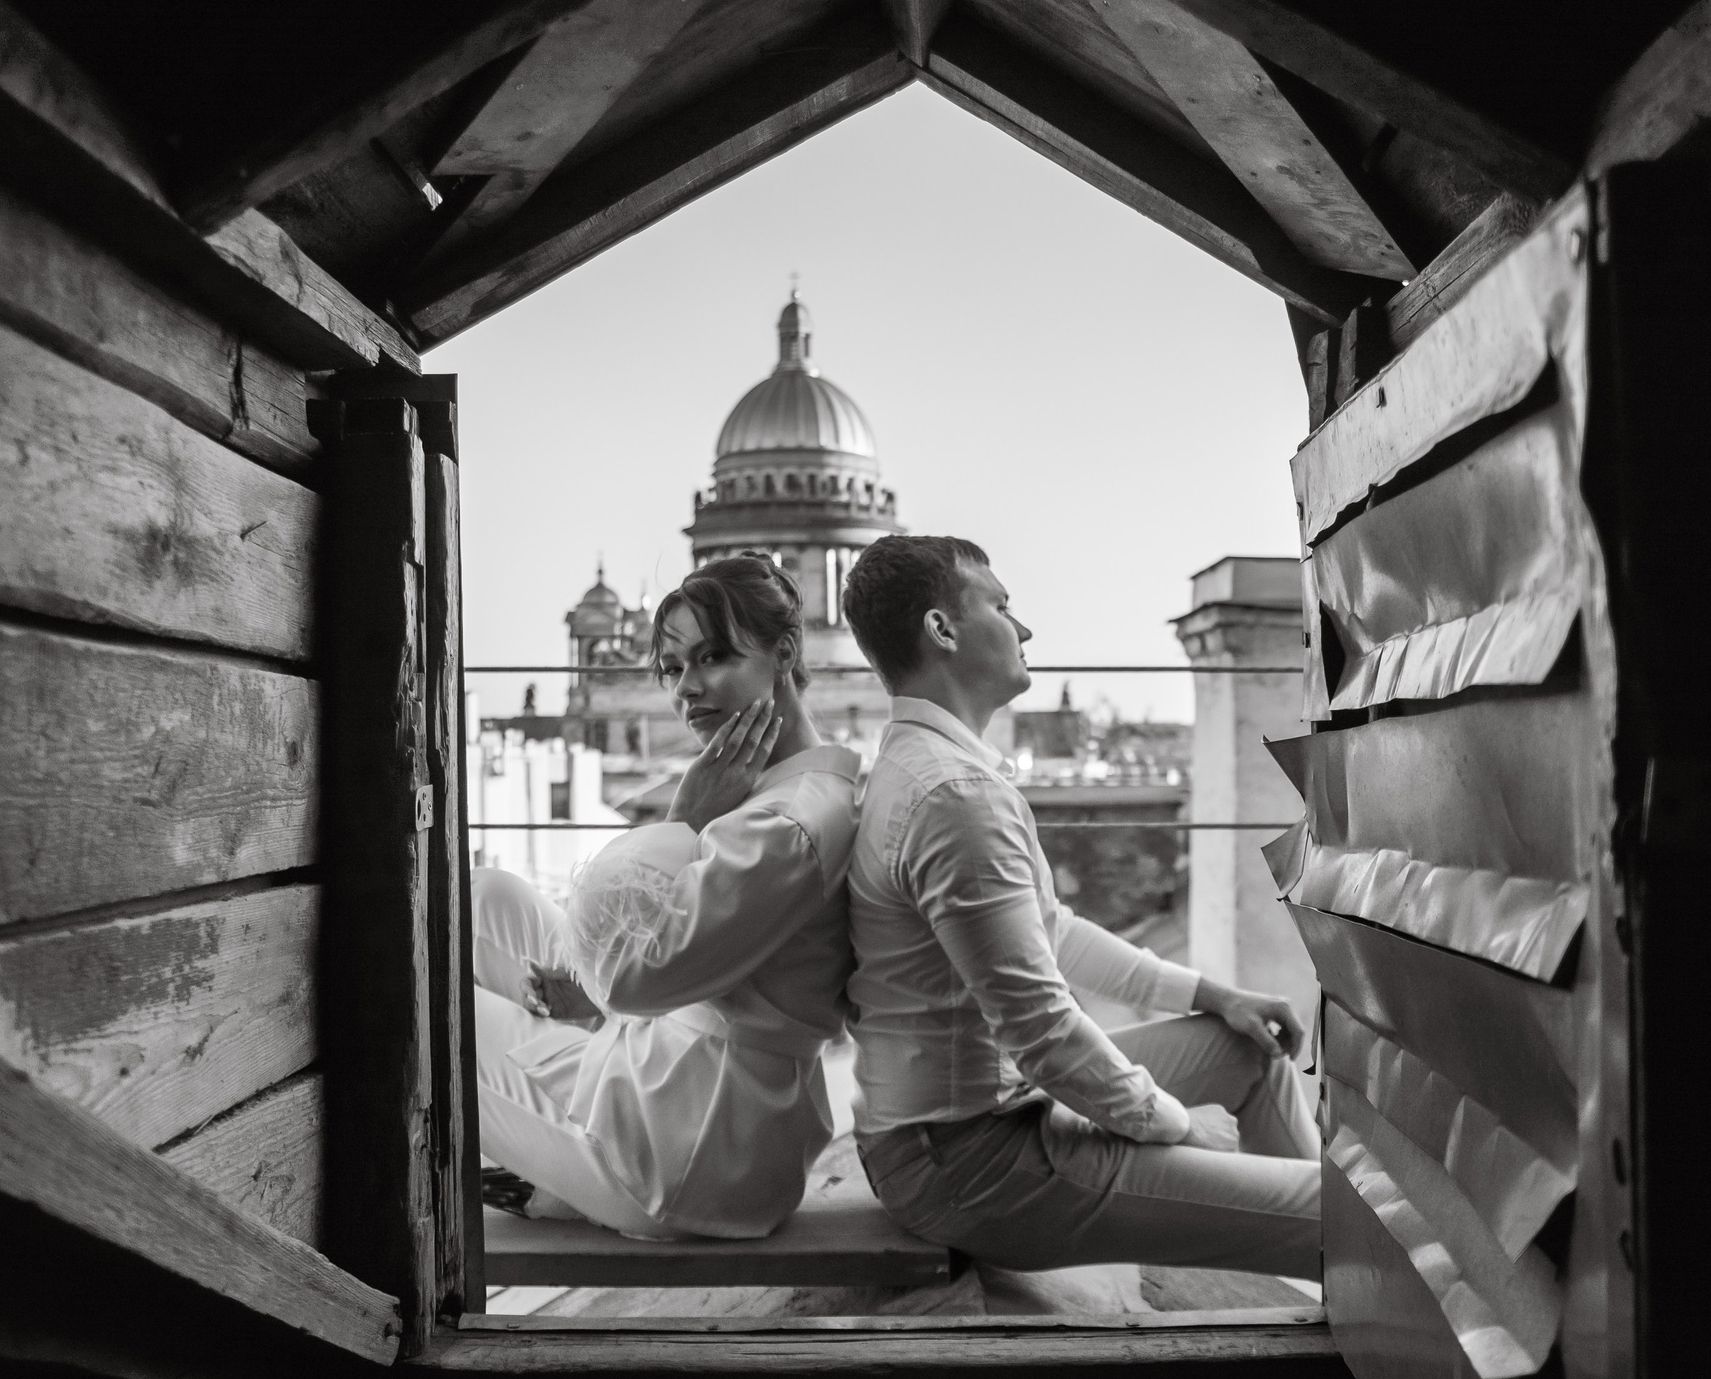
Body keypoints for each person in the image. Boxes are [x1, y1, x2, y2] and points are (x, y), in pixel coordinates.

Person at [840, 535, 1321, 1277]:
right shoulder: (952, 797)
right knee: (1340, 1217)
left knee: (1248, 1050)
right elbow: (1042, 1033)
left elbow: (1049, 931)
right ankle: (1326, 1255)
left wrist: (1213, 994)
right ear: (943, 630)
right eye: (1001, 605)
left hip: (978, 1120)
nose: (1024, 627)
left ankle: (1310, 1263)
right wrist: (1174, 1126)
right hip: (972, 1158)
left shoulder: (942, 770)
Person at [468, 553, 859, 1240]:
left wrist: (683, 817)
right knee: (487, 898)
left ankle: (542, 1179)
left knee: (426, 1004)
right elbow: (700, 958)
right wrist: (590, 995)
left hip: (684, 1146)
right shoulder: (784, 790)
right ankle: (540, 1168)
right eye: (673, 668)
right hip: (682, 1078)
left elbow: (629, 980)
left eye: (714, 657)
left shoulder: (785, 825)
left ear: (785, 649)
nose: (688, 690)